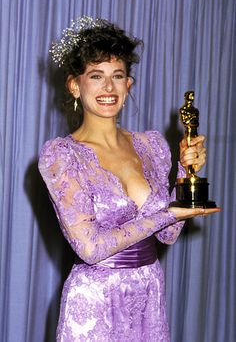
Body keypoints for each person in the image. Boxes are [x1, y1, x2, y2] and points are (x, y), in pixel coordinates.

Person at [38, 17, 220, 342]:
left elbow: (167, 236)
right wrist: (168, 213)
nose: (108, 88)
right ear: (75, 85)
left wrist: (184, 170)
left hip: (149, 289)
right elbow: (92, 248)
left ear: (128, 85)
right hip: (95, 301)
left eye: (117, 76)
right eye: (96, 76)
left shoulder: (151, 146)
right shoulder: (62, 157)